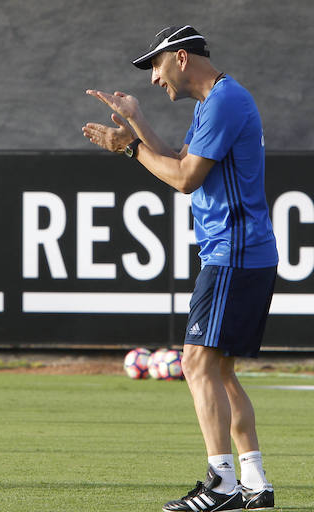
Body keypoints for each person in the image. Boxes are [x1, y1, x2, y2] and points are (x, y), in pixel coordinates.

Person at [82, 25, 278, 512]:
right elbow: (175, 158)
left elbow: (186, 179)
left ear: (182, 58)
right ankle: (254, 481)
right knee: (221, 373)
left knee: (195, 363)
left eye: (155, 64)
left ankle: (221, 484)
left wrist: (128, 148)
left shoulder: (225, 101)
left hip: (233, 252)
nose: (152, 78)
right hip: (241, 251)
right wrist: (137, 122)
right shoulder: (214, 103)